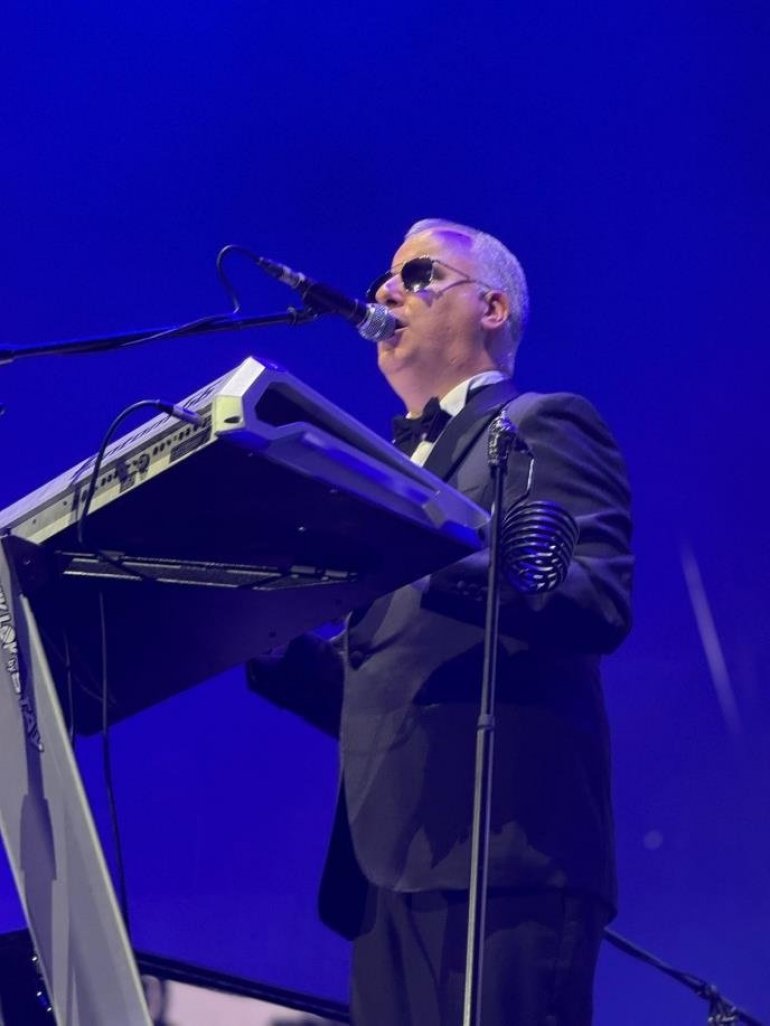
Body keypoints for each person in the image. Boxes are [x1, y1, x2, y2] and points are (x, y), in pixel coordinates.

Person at [248, 218, 633, 1026]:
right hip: (383, 872)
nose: (387, 291)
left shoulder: (544, 421)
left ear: (492, 307)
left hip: (505, 855)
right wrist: (268, 634)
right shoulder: (388, 469)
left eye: (419, 274)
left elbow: (597, 597)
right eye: (385, 278)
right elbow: (386, 684)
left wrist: (425, 556)